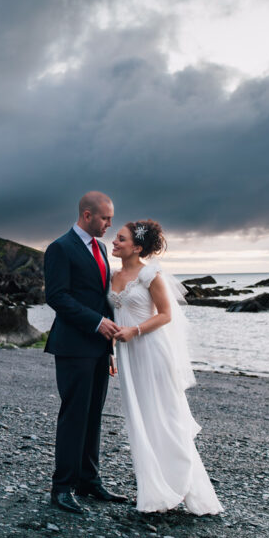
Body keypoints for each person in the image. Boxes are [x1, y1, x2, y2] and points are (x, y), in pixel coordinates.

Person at [109, 219, 223, 515]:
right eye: (116, 237)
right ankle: (156, 491)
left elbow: (166, 315)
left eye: (121, 239)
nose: (114, 242)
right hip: (128, 355)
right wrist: (111, 350)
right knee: (141, 418)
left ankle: (183, 484)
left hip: (151, 350)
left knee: (166, 416)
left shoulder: (150, 274)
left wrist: (134, 331)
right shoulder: (112, 275)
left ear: (137, 247)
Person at [43, 191, 121, 514]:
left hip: (99, 348)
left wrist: (110, 344)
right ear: (87, 215)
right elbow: (56, 297)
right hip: (73, 346)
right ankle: (62, 488)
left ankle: (89, 480)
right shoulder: (60, 248)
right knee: (74, 415)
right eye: (105, 219)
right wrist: (96, 323)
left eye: (111, 219)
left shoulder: (100, 248)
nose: (109, 225)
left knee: (93, 416)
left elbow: (102, 297)